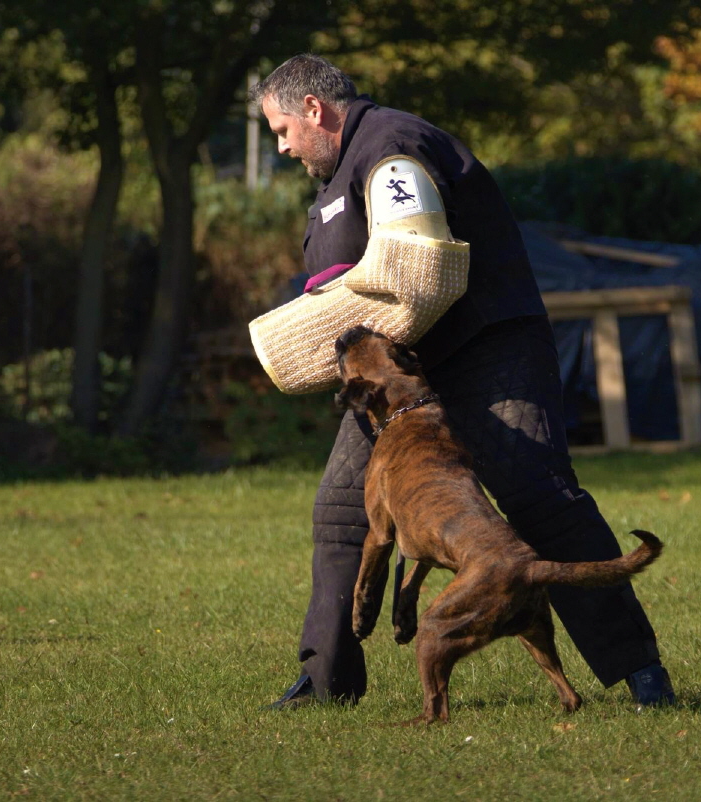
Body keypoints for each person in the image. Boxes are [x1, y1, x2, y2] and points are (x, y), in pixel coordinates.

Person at [251, 54, 674, 711]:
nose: (281, 147)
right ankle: (325, 682)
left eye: (281, 130)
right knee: (341, 510)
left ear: (314, 109)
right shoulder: (336, 178)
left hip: (485, 345)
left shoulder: (393, 147)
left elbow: (417, 265)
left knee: (538, 495)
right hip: (403, 378)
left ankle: (640, 672)